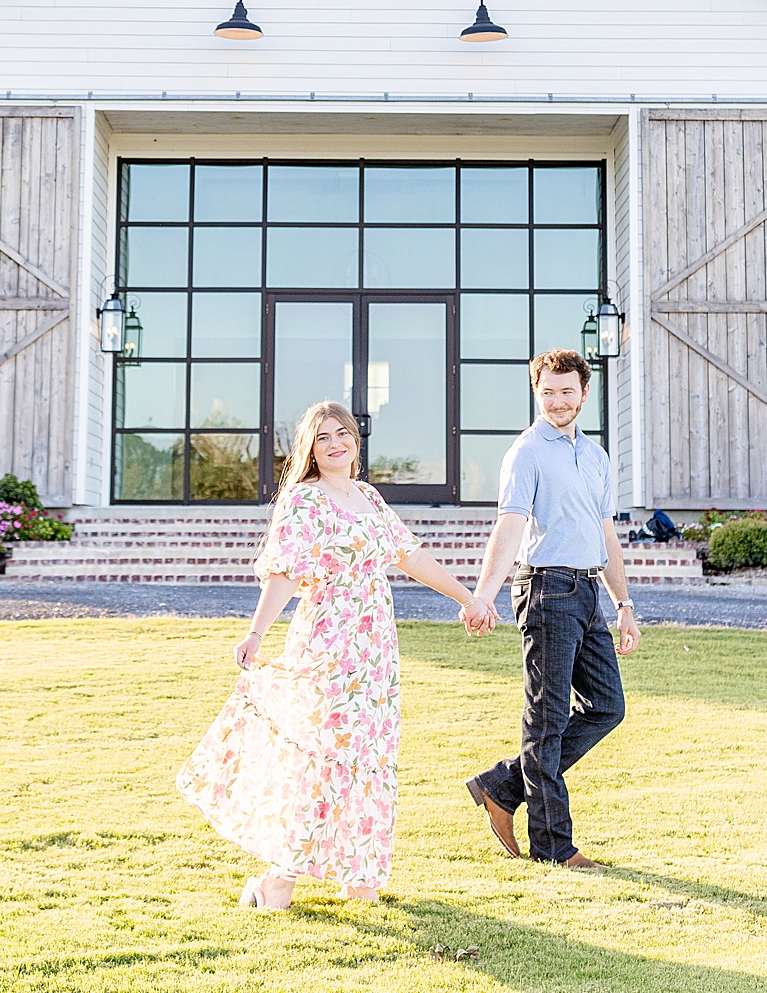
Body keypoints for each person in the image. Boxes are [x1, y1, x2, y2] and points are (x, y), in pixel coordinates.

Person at [177, 400, 496, 911]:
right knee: (324, 759)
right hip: (327, 646)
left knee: (371, 758)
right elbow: (283, 572)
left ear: (355, 439)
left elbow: (410, 556)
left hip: (376, 652)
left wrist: (468, 599)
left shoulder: (369, 497)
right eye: (323, 437)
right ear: (310, 447)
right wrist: (256, 633)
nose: (335, 443)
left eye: (342, 433)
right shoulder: (304, 500)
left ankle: (359, 875)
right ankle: (277, 880)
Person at [463, 347, 640, 868]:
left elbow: (605, 534)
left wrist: (624, 603)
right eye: (548, 393)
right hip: (545, 588)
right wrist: (483, 593)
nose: (557, 401)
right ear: (536, 393)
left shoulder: (596, 456)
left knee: (607, 706)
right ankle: (554, 847)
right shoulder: (527, 452)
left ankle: (503, 786)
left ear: (584, 393)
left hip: (586, 591)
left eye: (566, 392)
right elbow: (510, 524)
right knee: (548, 717)